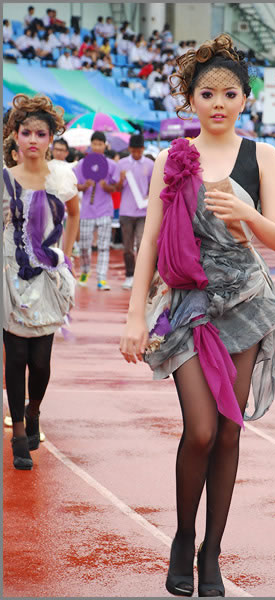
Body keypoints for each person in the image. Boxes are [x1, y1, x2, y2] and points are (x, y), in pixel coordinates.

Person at [119, 33, 275, 598]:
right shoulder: (171, 159)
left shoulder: (263, 156)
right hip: (188, 305)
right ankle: (183, 536)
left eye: (230, 94)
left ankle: (211, 551)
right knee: (202, 430)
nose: (218, 103)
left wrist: (245, 210)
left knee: (230, 431)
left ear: (245, 99)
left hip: (244, 303)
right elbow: (149, 241)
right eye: (207, 93)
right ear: (190, 98)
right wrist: (135, 316)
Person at [2, 94, 79, 470]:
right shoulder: (4, 180)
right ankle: (18, 432)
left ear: (51, 138)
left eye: (41, 133)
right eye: (26, 132)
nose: (33, 139)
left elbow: (74, 213)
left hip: (48, 277)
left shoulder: (62, 177)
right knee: (15, 356)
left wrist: (65, 255)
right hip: (10, 275)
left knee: (41, 361)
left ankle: (34, 411)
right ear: (15, 136)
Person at [73, 131, 118, 290]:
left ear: (105, 146)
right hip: (87, 211)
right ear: (90, 145)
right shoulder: (82, 164)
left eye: (100, 144)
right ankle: (85, 271)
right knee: (84, 246)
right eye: (95, 143)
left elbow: (116, 186)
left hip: (105, 210)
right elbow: (75, 185)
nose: (97, 147)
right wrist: (84, 186)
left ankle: (101, 278)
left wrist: (108, 187)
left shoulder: (111, 165)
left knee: (103, 246)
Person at [113, 134, 154, 290]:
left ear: (143, 149)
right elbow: (117, 188)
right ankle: (130, 275)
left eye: (139, 150)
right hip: (126, 211)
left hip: (143, 212)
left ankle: (143, 276)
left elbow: (153, 185)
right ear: (129, 149)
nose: (137, 153)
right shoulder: (122, 164)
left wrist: (149, 195)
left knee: (143, 244)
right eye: (134, 150)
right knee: (128, 247)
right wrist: (121, 180)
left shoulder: (150, 164)